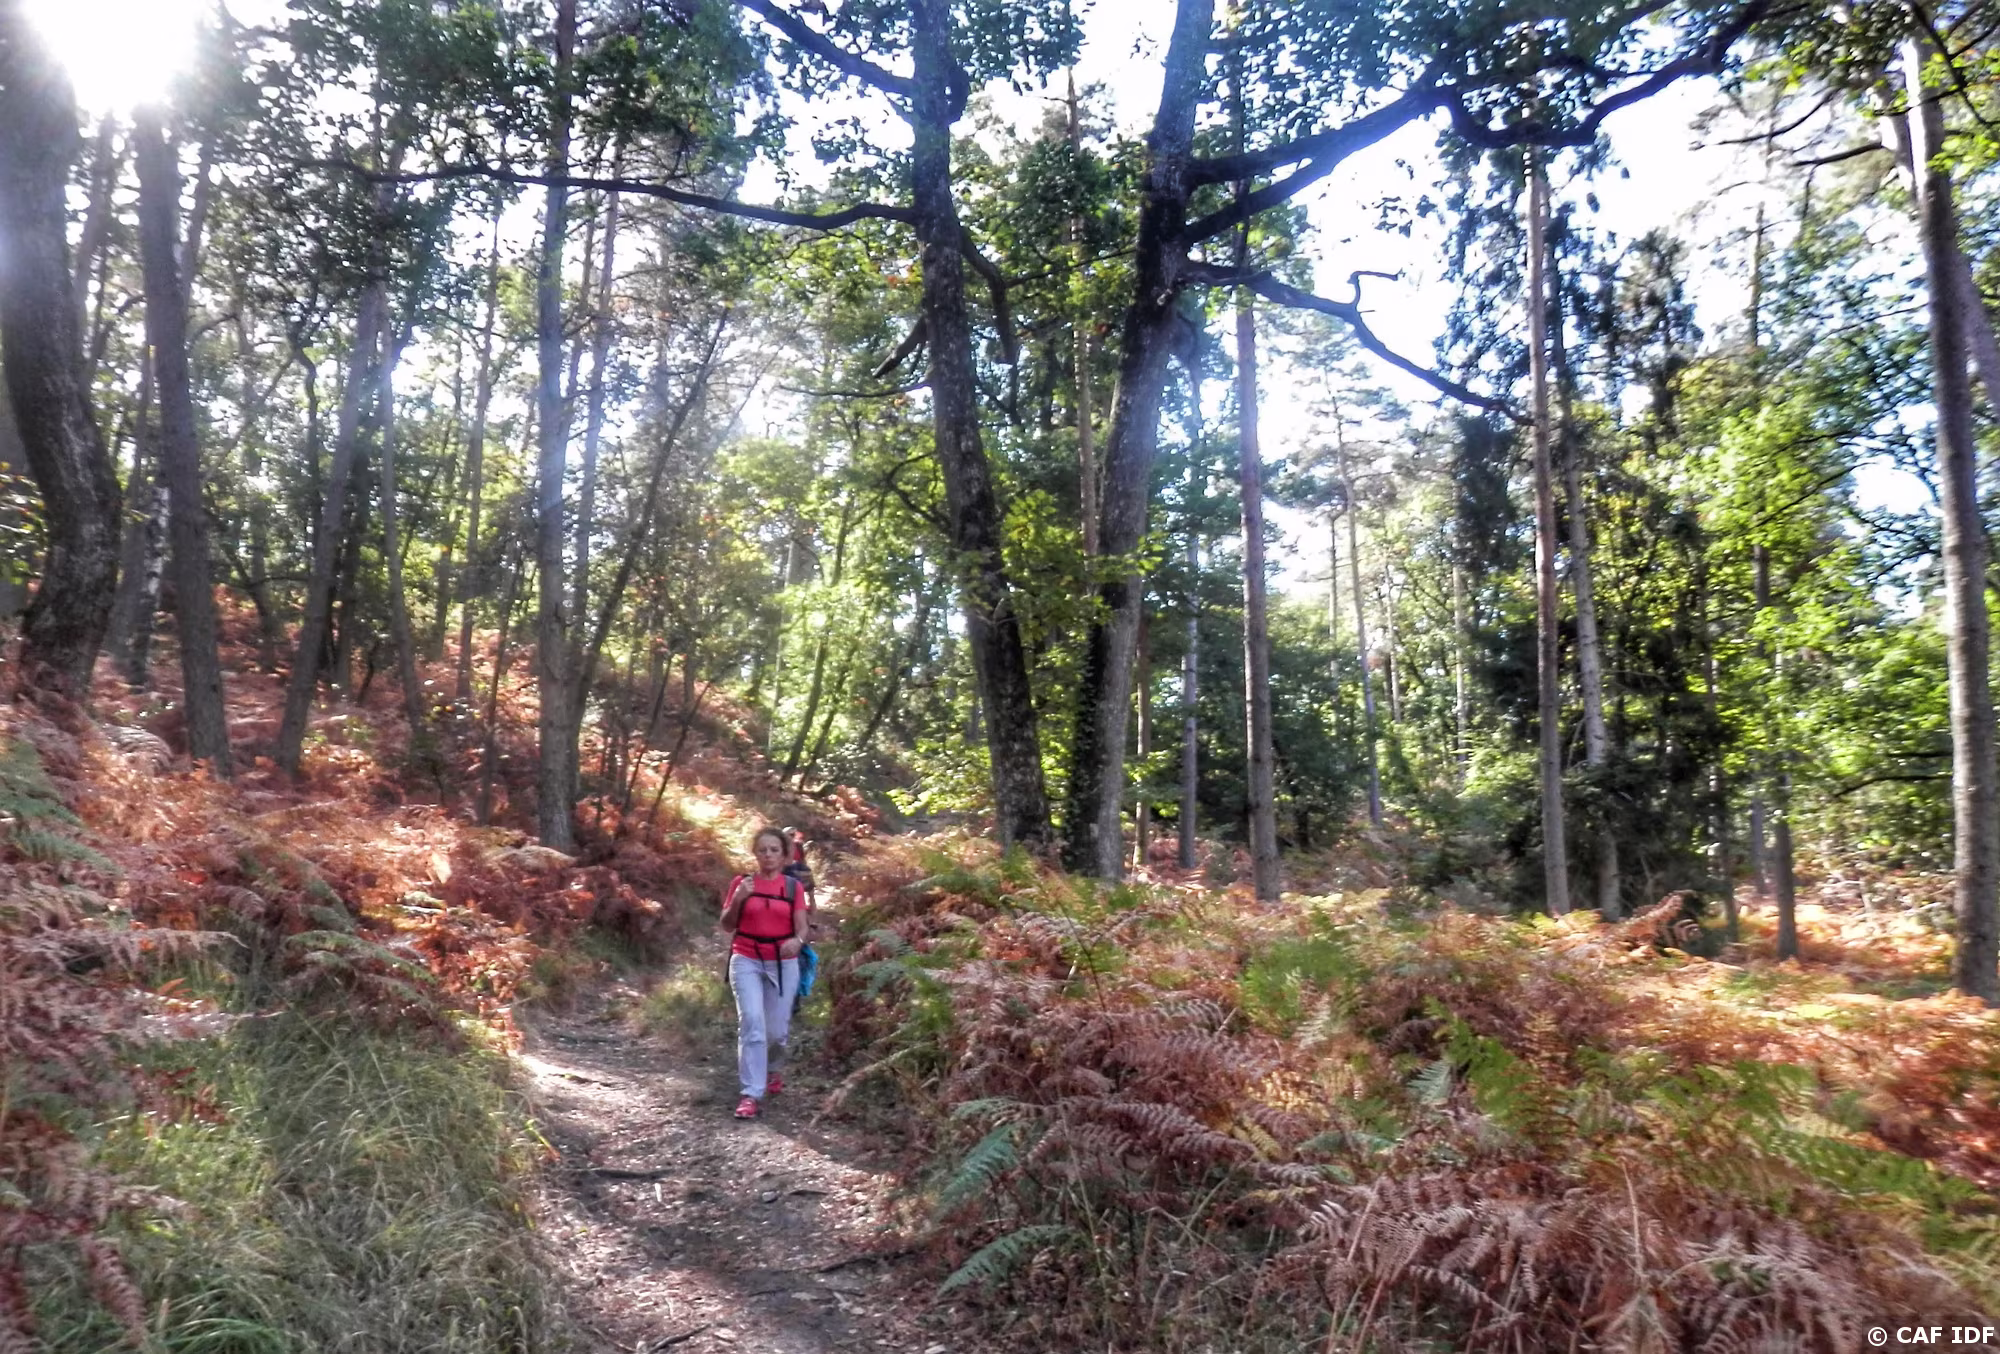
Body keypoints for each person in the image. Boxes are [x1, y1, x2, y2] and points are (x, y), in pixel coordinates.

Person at [720, 826, 809, 1120]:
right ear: (755, 853)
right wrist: (738, 898)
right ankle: (751, 1093)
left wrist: (797, 942)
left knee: (777, 1032)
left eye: (774, 850)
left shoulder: (793, 888)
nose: (768, 855)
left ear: (784, 856)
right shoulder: (741, 883)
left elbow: (802, 927)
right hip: (746, 957)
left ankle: (772, 1069)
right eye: (763, 850)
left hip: (783, 962)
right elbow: (727, 925)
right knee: (752, 1024)